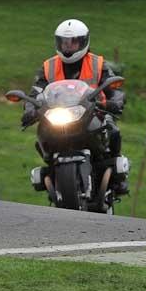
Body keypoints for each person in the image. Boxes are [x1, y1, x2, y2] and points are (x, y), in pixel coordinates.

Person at [22, 19, 129, 194]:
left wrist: (115, 101)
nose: (68, 47)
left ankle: (118, 177)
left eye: (73, 42)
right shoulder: (49, 66)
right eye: (64, 42)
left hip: (94, 112)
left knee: (113, 130)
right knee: (41, 133)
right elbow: (35, 91)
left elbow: (114, 88)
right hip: (58, 114)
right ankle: (51, 169)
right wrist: (29, 109)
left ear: (84, 41)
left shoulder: (98, 63)